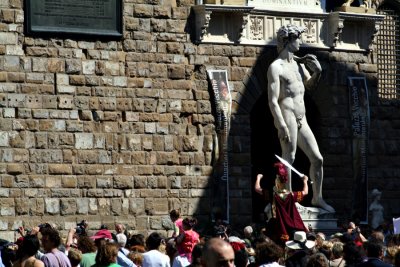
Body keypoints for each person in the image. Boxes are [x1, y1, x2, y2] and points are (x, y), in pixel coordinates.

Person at [267, 24, 334, 213]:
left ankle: (317, 198)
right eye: (298, 38)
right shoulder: (275, 67)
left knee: (318, 158)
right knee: (289, 158)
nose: (301, 42)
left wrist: (317, 72)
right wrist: (280, 124)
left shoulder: (298, 64)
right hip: (287, 114)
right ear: (287, 40)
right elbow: (272, 101)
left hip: (301, 117)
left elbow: (309, 86)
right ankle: (287, 200)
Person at [255, 162, 309, 244]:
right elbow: (305, 192)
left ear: (276, 181)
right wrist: (305, 181)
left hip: (279, 228)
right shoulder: (290, 195)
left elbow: (257, 189)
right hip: (291, 227)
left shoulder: (273, 195)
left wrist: (258, 178)